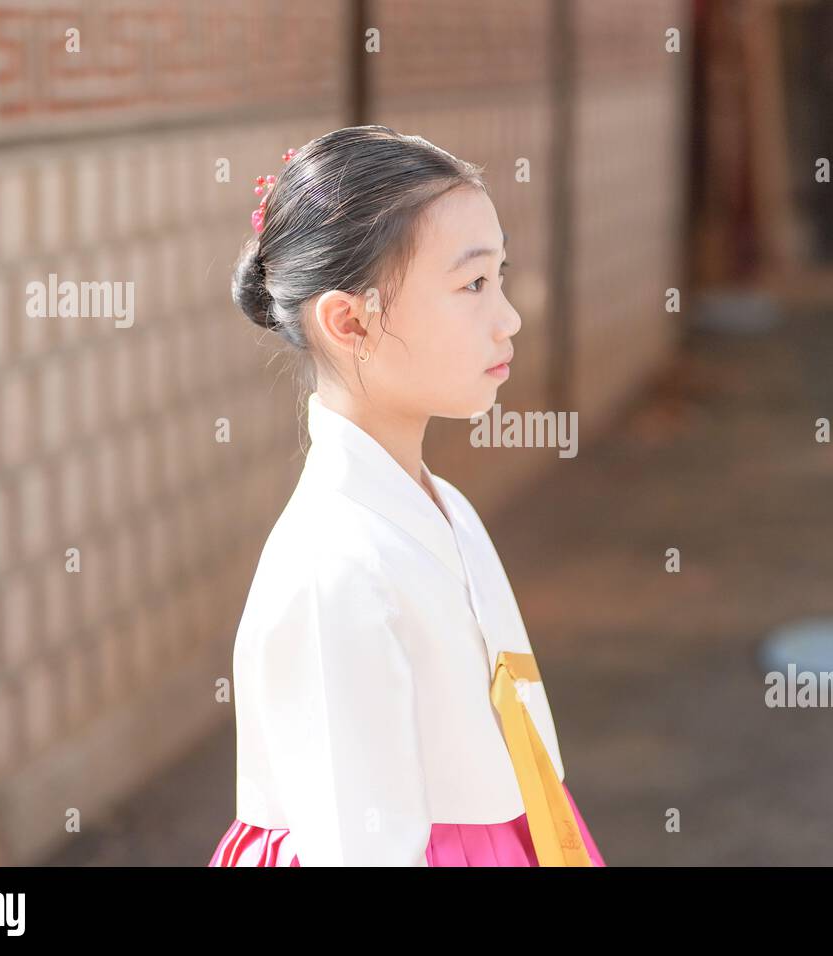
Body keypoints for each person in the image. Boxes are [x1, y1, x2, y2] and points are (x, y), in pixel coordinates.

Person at [207, 126, 605, 866]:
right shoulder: (335, 567)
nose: (510, 316)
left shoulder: (442, 507)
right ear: (350, 320)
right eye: (473, 284)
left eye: (501, 276)